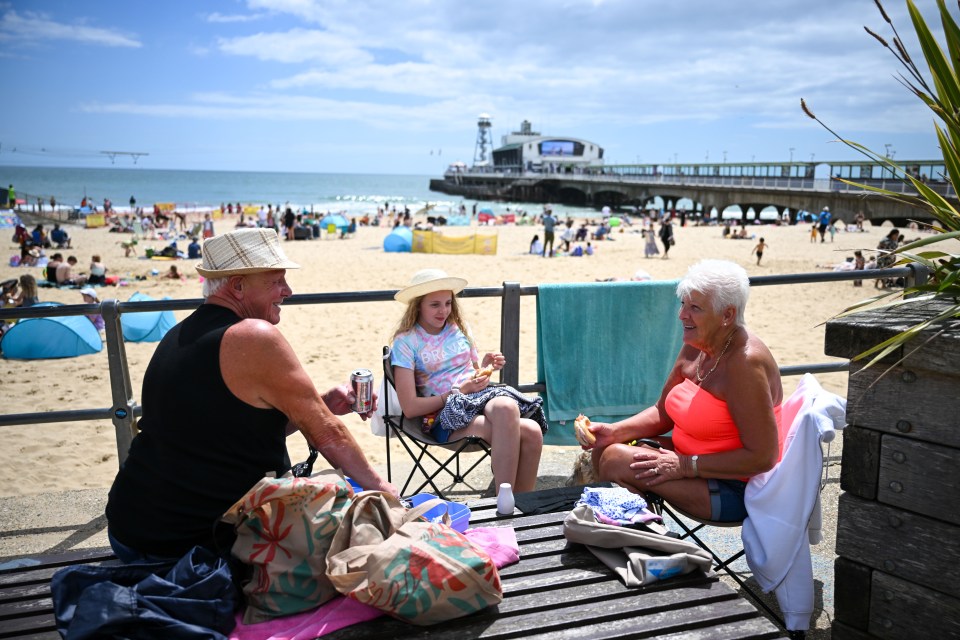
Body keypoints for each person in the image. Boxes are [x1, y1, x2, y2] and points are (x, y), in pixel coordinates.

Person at [106, 228, 397, 562]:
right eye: (276, 281)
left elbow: (231, 431)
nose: (287, 291)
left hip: (131, 529)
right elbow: (329, 435)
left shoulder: (179, 334)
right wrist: (384, 490)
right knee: (359, 527)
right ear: (238, 285)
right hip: (186, 544)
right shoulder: (254, 336)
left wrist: (321, 405)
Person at [581, 260, 782, 522]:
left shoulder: (745, 364)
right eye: (683, 304)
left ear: (727, 315)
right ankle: (644, 537)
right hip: (692, 462)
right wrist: (614, 431)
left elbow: (763, 457)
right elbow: (662, 412)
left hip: (737, 487)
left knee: (616, 460)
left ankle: (650, 544)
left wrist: (686, 466)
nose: (682, 315)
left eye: (695, 308)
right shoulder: (699, 341)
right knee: (606, 449)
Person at [390, 269, 547, 495]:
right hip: (443, 417)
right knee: (528, 430)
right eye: (434, 305)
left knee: (515, 413)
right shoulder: (406, 342)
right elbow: (410, 407)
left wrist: (484, 366)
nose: (443, 311)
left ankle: (518, 501)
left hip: (476, 400)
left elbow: (471, 373)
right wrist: (456, 391)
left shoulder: (458, 330)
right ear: (418, 306)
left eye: (447, 303)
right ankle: (506, 502)